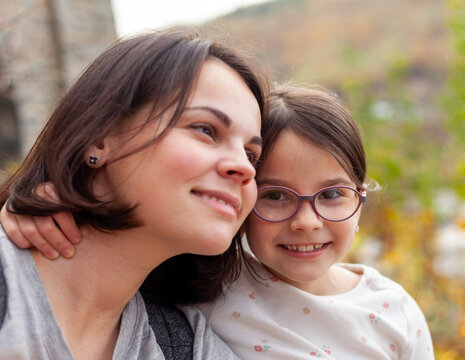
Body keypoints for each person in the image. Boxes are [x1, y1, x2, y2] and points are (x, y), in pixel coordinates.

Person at [3, 85, 435, 359]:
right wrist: (45, 200)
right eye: (276, 196)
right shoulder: (209, 279)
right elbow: (126, 244)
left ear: (360, 197)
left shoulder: (392, 310)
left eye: (332, 195)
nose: (306, 221)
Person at [0, 26, 269, 359]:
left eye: (252, 154)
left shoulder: (188, 346)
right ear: (99, 137)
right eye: (205, 129)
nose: (245, 168)